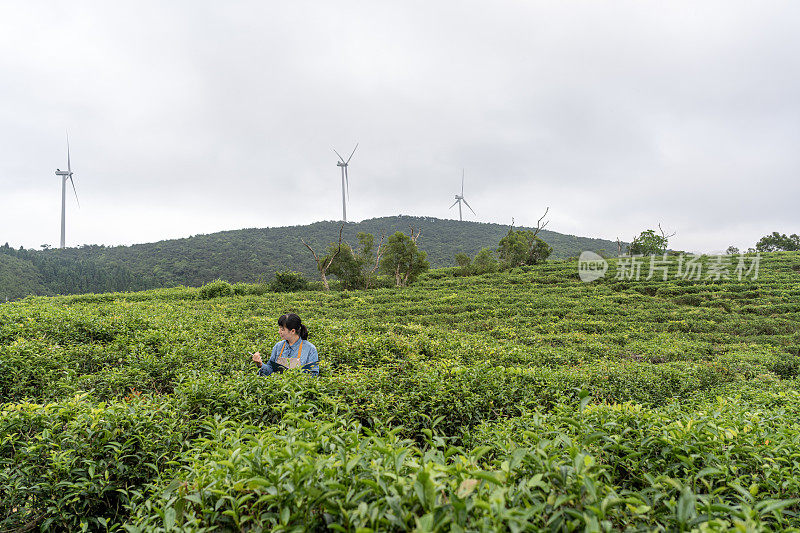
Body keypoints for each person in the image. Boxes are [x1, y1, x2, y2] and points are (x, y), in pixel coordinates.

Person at [252, 313, 319, 377]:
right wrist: (260, 364)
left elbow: (313, 375)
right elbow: (270, 370)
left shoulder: (310, 349)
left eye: (282, 329)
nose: (279, 332)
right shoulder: (278, 346)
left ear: (293, 331)